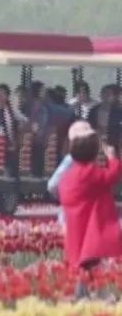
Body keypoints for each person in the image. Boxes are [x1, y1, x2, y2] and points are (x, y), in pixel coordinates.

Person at [57, 120, 121, 299]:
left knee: (83, 263)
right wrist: (113, 158)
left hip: (77, 227)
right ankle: (94, 294)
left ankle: (84, 293)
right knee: (91, 262)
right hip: (91, 230)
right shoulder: (90, 172)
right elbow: (111, 176)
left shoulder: (70, 175)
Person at [0, 83, 26, 177]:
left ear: (7, 96)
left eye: (3, 94)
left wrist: (20, 128)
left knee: (12, 156)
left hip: (8, 145)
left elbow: (24, 120)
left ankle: (9, 177)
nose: (0, 96)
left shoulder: (12, 110)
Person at [88, 84, 122, 149]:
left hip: (115, 144)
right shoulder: (94, 110)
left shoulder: (119, 111)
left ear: (115, 96)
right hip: (97, 144)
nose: (105, 96)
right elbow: (89, 126)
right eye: (103, 93)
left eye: (108, 94)